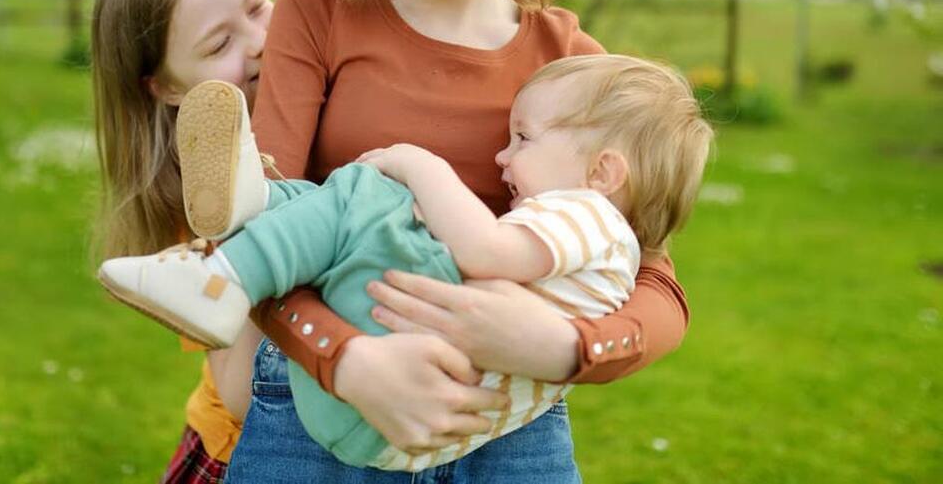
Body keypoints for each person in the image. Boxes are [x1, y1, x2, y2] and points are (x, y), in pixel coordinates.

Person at [223, 0, 692, 483]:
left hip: (506, 426)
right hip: (327, 411)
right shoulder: (317, 10)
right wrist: (345, 359)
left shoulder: (570, 61)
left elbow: (656, 280)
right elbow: (256, 223)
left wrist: (564, 347)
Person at [98, 54, 713, 472]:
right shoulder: (599, 248)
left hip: (390, 385)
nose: (502, 157)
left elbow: (484, 252)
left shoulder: (589, 216)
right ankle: (260, 207)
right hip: (394, 422)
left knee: (376, 199)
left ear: (603, 172)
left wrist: (417, 164)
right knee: (335, 212)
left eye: (523, 139)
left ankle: (224, 267)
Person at [89, 0, 272, 484]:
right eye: (220, 45)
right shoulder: (206, 200)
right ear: (167, 88)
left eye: (258, 6)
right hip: (240, 456)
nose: (261, 40)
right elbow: (242, 392)